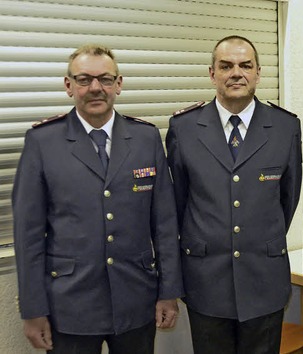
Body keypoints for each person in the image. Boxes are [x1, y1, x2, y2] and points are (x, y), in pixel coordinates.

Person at [13, 44, 183, 354]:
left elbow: (165, 224)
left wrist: (168, 292)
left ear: (118, 84)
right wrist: (33, 309)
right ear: (69, 86)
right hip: (70, 306)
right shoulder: (42, 142)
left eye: (105, 79)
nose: (95, 88)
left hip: (136, 298)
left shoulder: (145, 139)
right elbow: (28, 236)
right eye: (84, 79)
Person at [166, 35, 302, 354]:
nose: (236, 73)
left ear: (258, 72)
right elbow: (179, 202)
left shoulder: (285, 127)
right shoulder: (184, 128)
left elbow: (288, 198)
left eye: (245, 65)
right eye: (226, 66)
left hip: (263, 280)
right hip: (206, 282)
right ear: (212, 74)